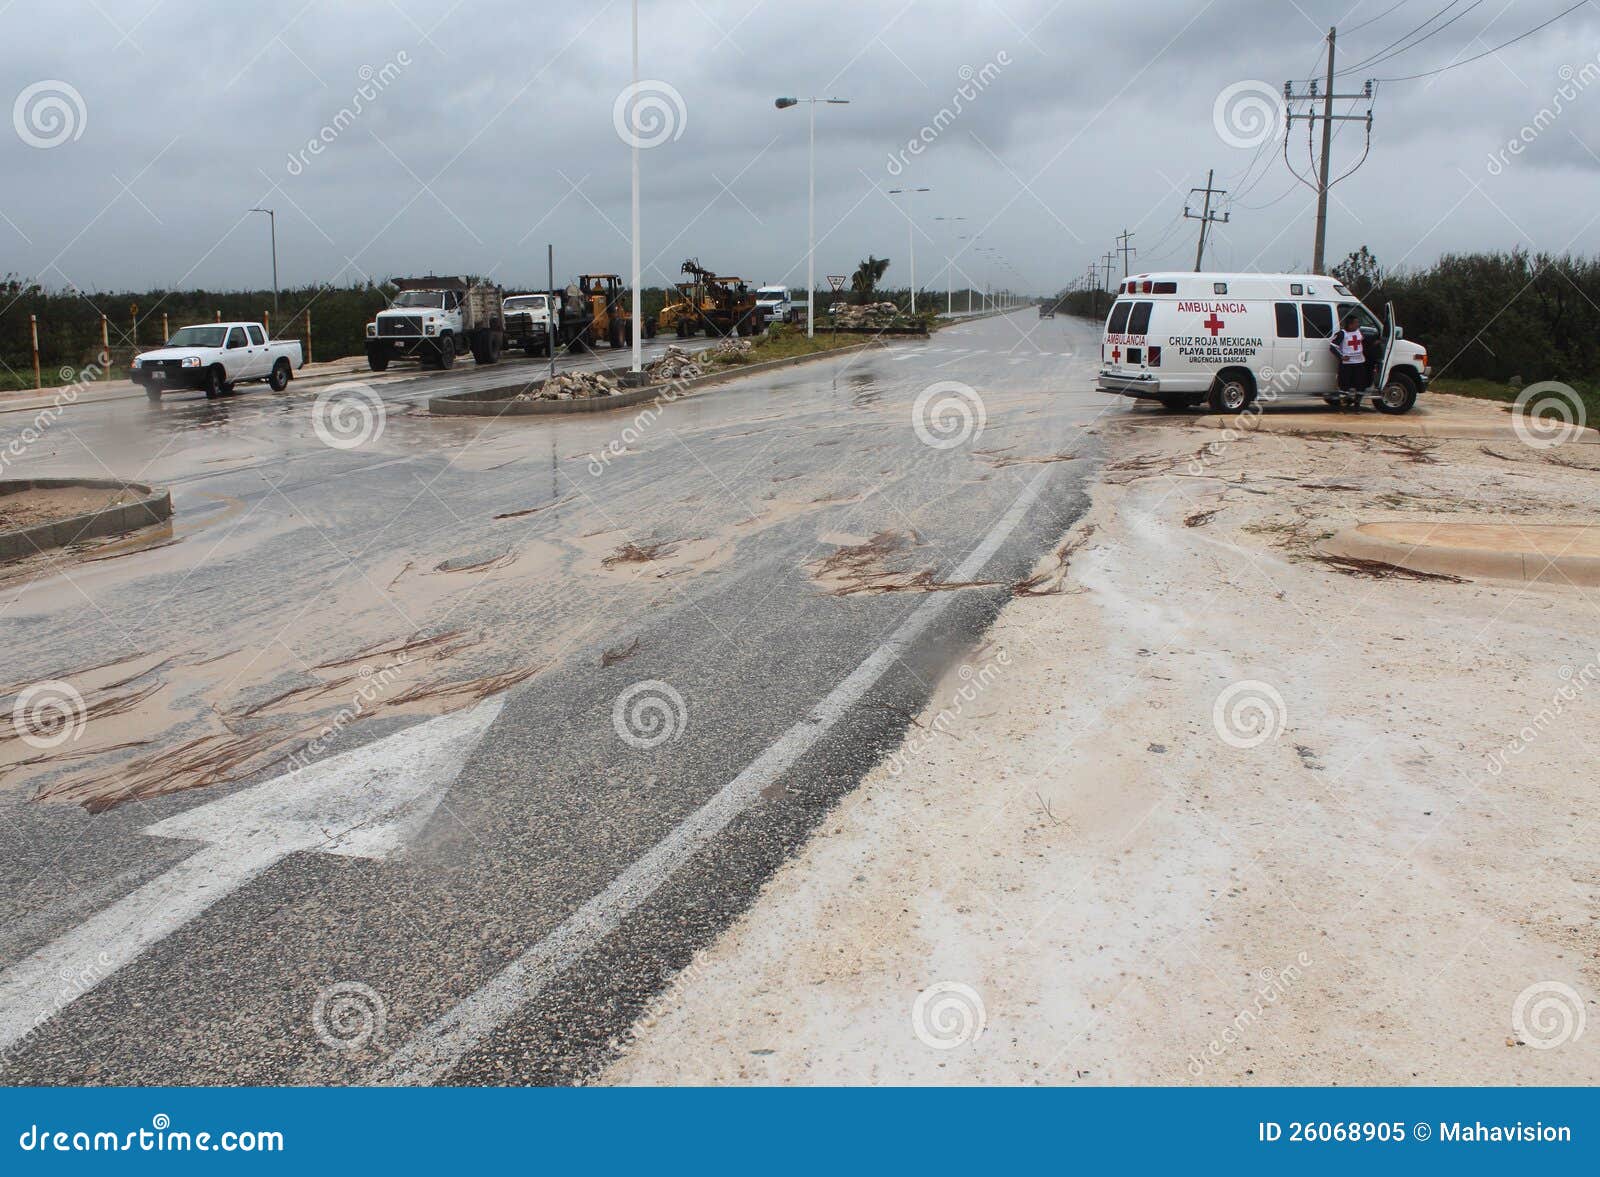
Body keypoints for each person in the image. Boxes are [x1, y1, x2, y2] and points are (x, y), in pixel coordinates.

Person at [1328, 313, 1369, 408]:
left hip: (1359, 362)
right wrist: (1341, 356)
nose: (1357, 324)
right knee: (1344, 386)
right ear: (1350, 324)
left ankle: (1357, 405)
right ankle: (1343, 406)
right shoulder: (1342, 334)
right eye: (1356, 323)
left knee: (1361, 385)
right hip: (1347, 364)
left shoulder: (1359, 332)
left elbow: (1363, 342)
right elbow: (1332, 347)